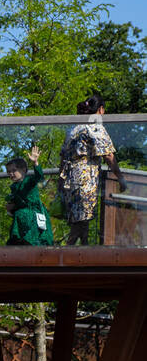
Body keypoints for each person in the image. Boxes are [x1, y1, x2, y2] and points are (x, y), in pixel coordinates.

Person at [58, 93, 123, 246]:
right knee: (81, 221)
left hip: (70, 178)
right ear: (101, 109)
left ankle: (81, 250)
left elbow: (62, 154)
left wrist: (60, 180)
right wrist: (121, 178)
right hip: (84, 179)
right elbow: (108, 155)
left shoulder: (75, 126)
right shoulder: (94, 126)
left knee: (81, 221)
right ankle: (68, 254)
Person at [5, 146, 55, 246]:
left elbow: (38, 176)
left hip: (33, 215)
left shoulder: (29, 181)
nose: (11, 174)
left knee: (24, 217)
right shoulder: (14, 187)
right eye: (8, 172)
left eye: (14, 170)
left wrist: (35, 162)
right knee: (20, 215)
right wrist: (11, 207)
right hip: (22, 217)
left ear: (23, 169)